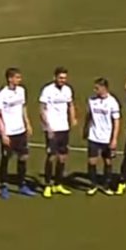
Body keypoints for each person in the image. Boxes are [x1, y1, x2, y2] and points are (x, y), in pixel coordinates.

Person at [0, 67, 36, 198]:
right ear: (10, 78)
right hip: (9, 132)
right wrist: (3, 133)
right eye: (17, 77)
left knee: (23, 157)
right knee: (6, 158)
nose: (20, 79)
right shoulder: (2, 94)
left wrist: (27, 123)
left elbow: (23, 107)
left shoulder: (21, 91)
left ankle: (22, 183)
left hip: (20, 131)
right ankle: (4, 185)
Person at [39, 66, 76, 198]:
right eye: (60, 78)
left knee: (62, 157)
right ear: (55, 77)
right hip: (52, 128)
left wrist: (73, 118)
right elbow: (42, 109)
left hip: (64, 128)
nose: (62, 80)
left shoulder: (67, 90)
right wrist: (48, 127)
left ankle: (58, 184)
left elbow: (70, 104)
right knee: (51, 157)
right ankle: (48, 185)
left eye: (64, 78)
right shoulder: (47, 90)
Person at [84, 77, 121, 196]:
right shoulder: (91, 100)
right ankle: (93, 185)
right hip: (93, 136)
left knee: (108, 162)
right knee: (92, 161)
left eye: (97, 88)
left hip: (107, 137)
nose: (95, 90)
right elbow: (89, 115)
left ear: (104, 88)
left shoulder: (113, 102)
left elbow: (116, 121)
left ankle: (106, 185)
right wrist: (85, 129)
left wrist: (114, 139)